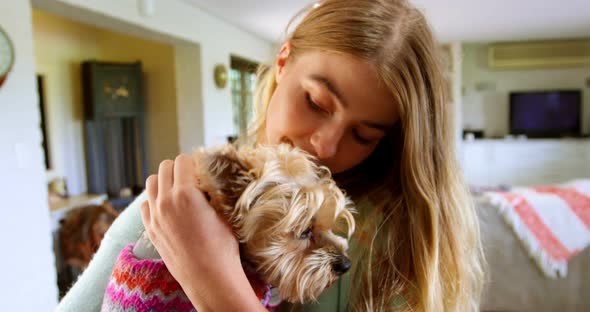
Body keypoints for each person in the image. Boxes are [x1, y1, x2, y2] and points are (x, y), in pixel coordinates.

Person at [57, 0, 484, 311]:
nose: (326, 147)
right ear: (283, 61)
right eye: (316, 103)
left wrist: (212, 279)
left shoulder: (399, 241)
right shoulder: (173, 211)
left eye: (363, 134)